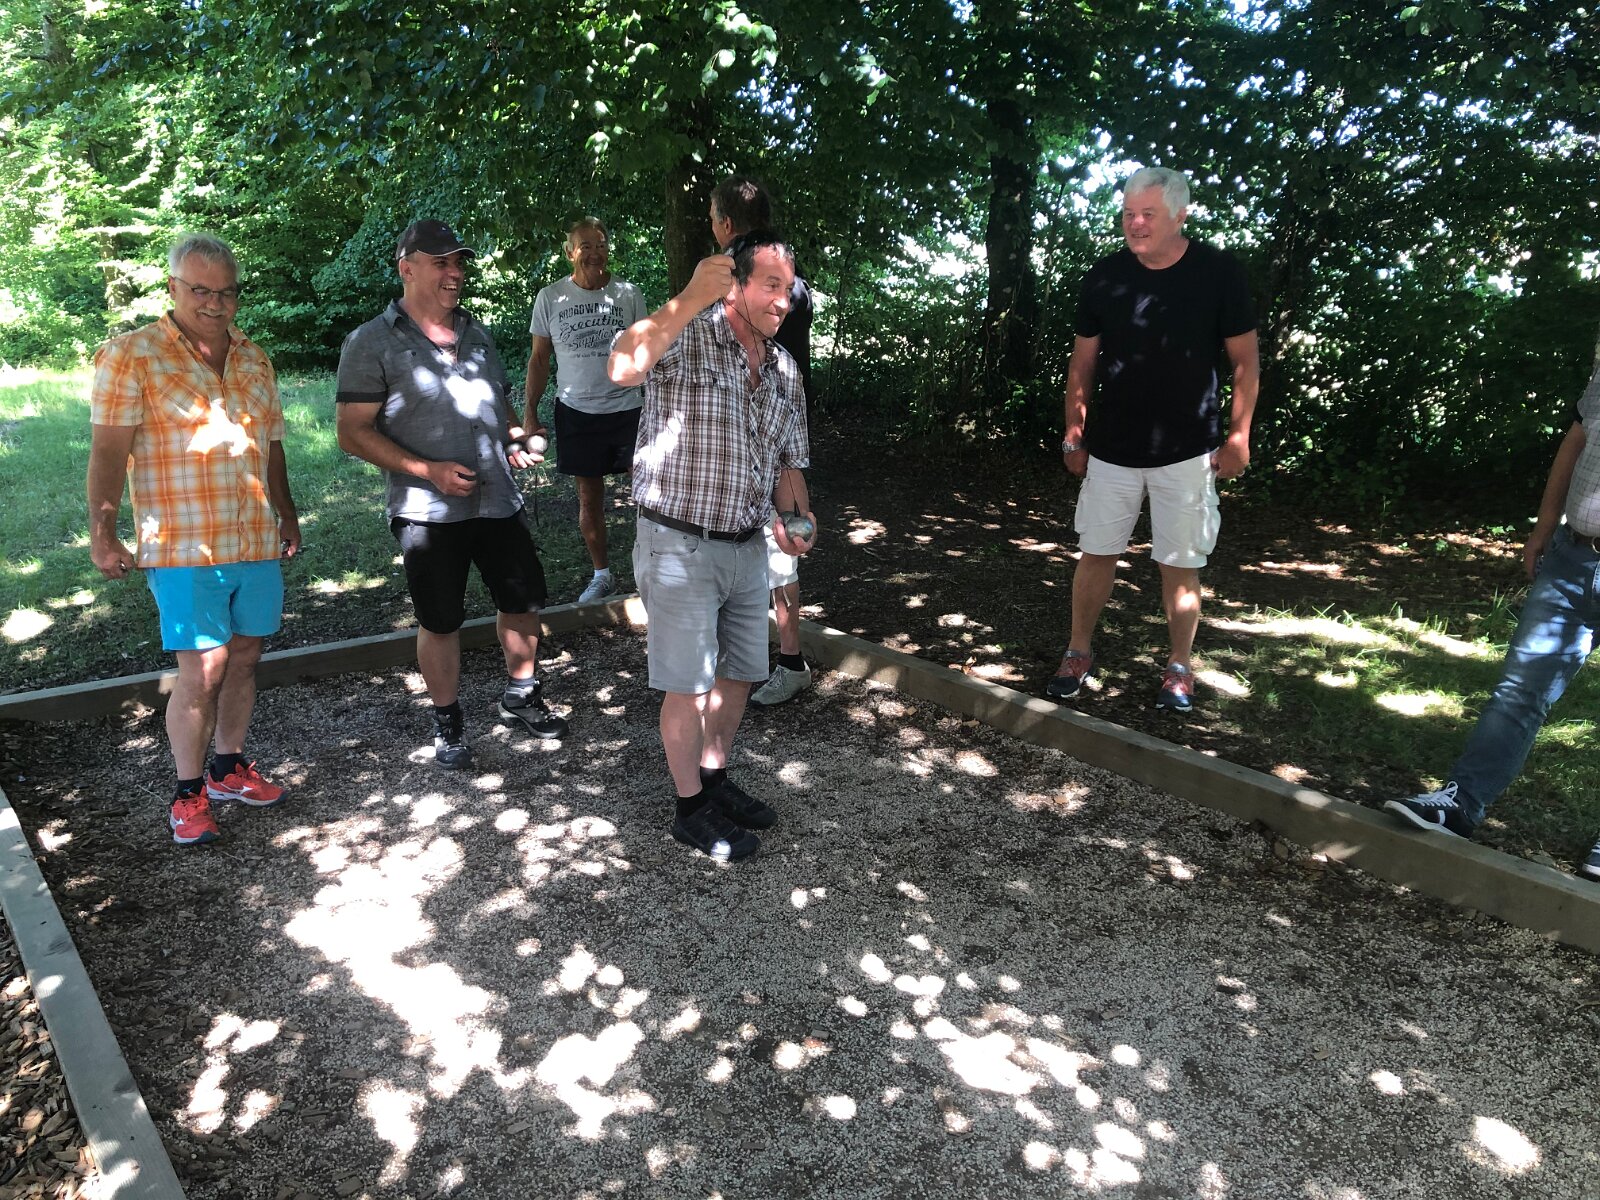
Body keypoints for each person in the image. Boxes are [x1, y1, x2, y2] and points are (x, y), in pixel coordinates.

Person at [607, 231, 816, 861]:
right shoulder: (686, 336)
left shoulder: (784, 369)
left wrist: (797, 518)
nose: (782, 300)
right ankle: (689, 808)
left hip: (748, 547)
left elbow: (788, 463)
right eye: (770, 285)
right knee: (689, 686)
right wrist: (689, 296)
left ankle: (714, 779)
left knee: (740, 674)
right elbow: (621, 367)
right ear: (735, 283)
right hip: (679, 542)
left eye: (789, 288)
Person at [87, 233, 300, 846]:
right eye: (201, 290)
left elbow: (272, 446)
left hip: (253, 536)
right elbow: (108, 453)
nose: (215, 302)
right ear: (173, 288)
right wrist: (103, 533)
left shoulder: (254, 357)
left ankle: (228, 769)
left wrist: (286, 514)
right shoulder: (130, 354)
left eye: (226, 291)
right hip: (183, 544)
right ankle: (188, 795)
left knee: (246, 656)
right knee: (202, 668)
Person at [336, 219, 568, 771]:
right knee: (440, 619)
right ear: (407, 268)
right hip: (426, 509)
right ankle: (448, 722)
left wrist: (517, 440)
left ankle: (521, 695)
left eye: (458, 262)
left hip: (497, 499)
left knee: (522, 601)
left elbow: (500, 405)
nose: (455, 273)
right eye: (441, 263)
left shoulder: (476, 332)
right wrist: (428, 470)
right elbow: (352, 433)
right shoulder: (370, 341)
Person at [1047, 165, 1259, 714]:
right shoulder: (1105, 276)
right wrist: (1074, 432)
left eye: (1148, 214)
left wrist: (1238, 436)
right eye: (1128, 213)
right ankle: (1077, 653)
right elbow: (1082, 363)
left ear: (1180, 215)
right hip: (1112, 449)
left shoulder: (1218, 273)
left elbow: (1245, 362)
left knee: (1180, 563)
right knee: (1096, 552)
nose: (1135, 223)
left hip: (1188, 451)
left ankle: (1179, 668)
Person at [1386, 361, 1600, 882]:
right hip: (1573, 557)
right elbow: (1576, 442)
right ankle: (1461, 804)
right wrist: (1545, 526)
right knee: (1518, 692)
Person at [708, 177, 817, 708]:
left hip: (756, 437)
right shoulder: (795, 281)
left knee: (777, 549)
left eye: (713, 218)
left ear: (726, 223)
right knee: (773, 547)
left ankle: (785, 661)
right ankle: (751, 658)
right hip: (775, 434)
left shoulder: (726, 277)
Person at [525, 218, 648, 604]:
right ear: (569, 252)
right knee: (588, 498)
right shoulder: (550, 297)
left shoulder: (628, 294)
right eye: (586, 246)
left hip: (628, 409)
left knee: (649, 494)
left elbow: (646, 353)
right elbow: (539, 359)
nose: (595, 253)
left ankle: (653, 569)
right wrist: (530, 414)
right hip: (577, 410)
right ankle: (602, 575)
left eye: (601, 244)